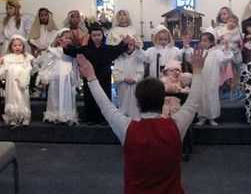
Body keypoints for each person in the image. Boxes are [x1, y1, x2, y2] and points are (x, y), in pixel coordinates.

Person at [76, 49, 205, 194]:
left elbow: (105, 105)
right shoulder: (176, 126)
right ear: (162, 100)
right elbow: (193, 101)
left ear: (137, 103)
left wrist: (91, 78)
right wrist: (198, 71)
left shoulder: (127, 128)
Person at [63, 23, 130, 123]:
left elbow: (117, 49)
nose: (97, 37)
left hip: (105, 77)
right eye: (94, 35)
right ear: (90, 36)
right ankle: (91, 118)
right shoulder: (85, 49)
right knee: (90, 98)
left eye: (99, 35)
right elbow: (74, 51)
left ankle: (103, 118)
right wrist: (66, 46)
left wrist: (124, 43)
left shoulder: (107, 49)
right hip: (90, 77)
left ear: (102, 36)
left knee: (105, 98)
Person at [33, 28, 79, 124]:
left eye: (70, 38)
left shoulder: (72, 51)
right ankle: (54, 114)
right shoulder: (53, 50)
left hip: (67, 75)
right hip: (56, 76)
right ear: (59, 39)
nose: (68, 40)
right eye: (65, 38)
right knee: (54, 95)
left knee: (67, 95)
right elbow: (47, 63)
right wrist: (45, 76)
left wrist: (76, 78)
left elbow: (75, 65)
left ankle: (66, 115)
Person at [196, 28, 233, 126]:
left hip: (212, 79)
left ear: (211, 42)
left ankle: (212, 117)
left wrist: (227, 49)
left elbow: (226, 59)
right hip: (201, 79)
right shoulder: (201, 52)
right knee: (202, 97)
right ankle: (202, 117)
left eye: (205, 41)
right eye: (201, 40)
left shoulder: (217, 52)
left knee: (211, 97)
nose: (202, 43)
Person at [0, 35, 33, 126]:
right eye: (14, 45)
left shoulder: (27, 57)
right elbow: (3, 69)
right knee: (12, 98)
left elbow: (30, 68)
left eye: (19, 45)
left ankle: (24, 117)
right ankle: (13, 117)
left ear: (23, 46)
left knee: (23, 98)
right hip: (11, 83)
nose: (17, 47)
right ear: (11, 47)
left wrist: (25, 74)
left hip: (22, 81)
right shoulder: (7, 58)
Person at [113, 38, 144, 120]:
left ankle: (135, 118)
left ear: (134, 46)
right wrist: (123, 78)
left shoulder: (138, 57)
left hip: (135, 85)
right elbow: (115, 72)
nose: (128, 47)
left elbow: (141, 71)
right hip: (123, 85)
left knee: (135, 102)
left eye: (131, 45)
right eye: (127, 45)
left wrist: (135, 79)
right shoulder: (119, 57)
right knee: (123, 103)